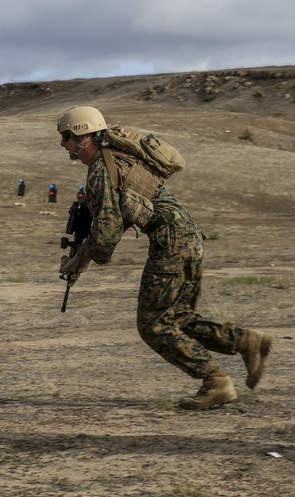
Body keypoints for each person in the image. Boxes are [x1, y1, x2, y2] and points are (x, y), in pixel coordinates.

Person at [56, 105, 272, 410]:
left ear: (82, 136)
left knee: (153, 324)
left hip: (170, 243)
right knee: (178, 318)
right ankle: (247, 342)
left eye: (65, 137)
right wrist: (83, 256)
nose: (63, 145)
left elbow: (105, 237)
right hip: (189, 237)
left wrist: (81, 259)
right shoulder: (119, 158)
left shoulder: (101, 172)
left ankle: (215, 382)